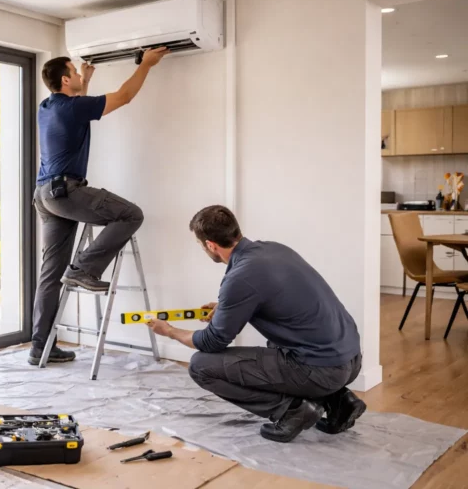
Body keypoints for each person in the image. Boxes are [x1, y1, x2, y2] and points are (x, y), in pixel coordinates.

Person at [146, 205, 366, 443]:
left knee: (201, 365)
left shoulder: (240, 277)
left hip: (324, 371)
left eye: (200, 245)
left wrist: (169, 331)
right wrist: (225, 308)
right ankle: (341, 402)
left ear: (210, 244)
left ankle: (292, 411)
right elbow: (278, 298)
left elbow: (212, 341)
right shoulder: (275, 250)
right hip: (351, 359)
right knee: (277, 343)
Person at [28, 47, 169, 366]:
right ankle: (84, 269)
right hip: (67, 191)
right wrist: (146, 65)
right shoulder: (72, 107)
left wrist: (86, 82)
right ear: (65, 80)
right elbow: (124, 96)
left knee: (51, 273)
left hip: (45, 195)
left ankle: (41, 347)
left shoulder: (47, 106)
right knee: (131, 214)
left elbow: (77, 112)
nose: (80, 74)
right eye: (75, 73)